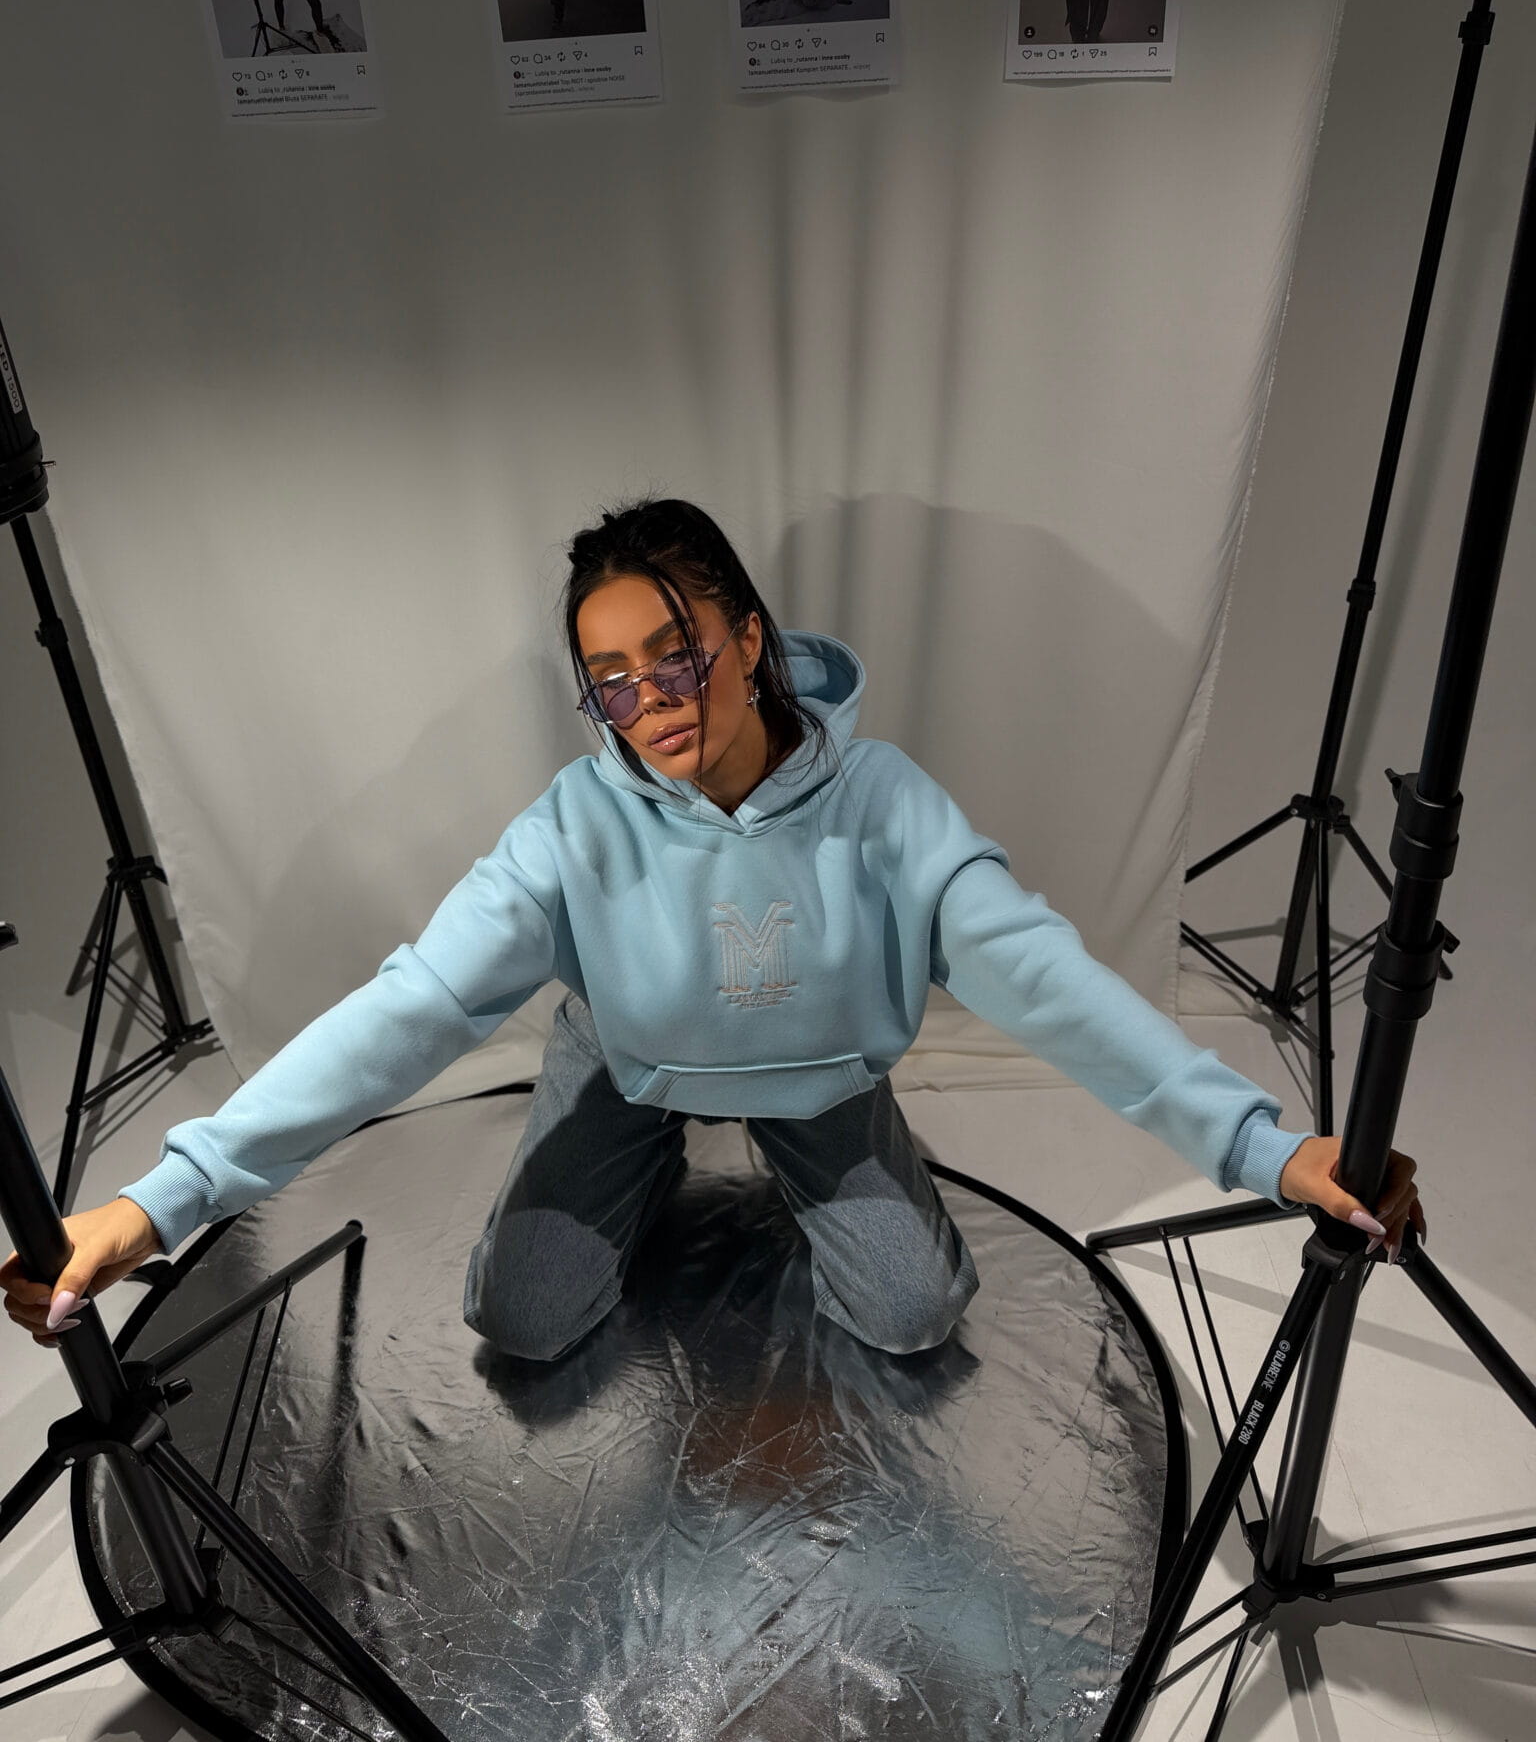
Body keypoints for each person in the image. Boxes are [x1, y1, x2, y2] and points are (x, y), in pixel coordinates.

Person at [3, 499, 1423, 1358]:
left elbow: (1051, 984)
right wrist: (162, 1199)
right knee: (522, 1324)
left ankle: (834, 1138)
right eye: (610, 680)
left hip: (822, 1073)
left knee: (914, 1318)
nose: (650, 701)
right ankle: (641, 1131)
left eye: (674, 653)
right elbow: (410, 1008)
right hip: (629, 1059)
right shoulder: (576, 827)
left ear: (747, 635)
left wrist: (1264, 1147)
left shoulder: (883, 808)